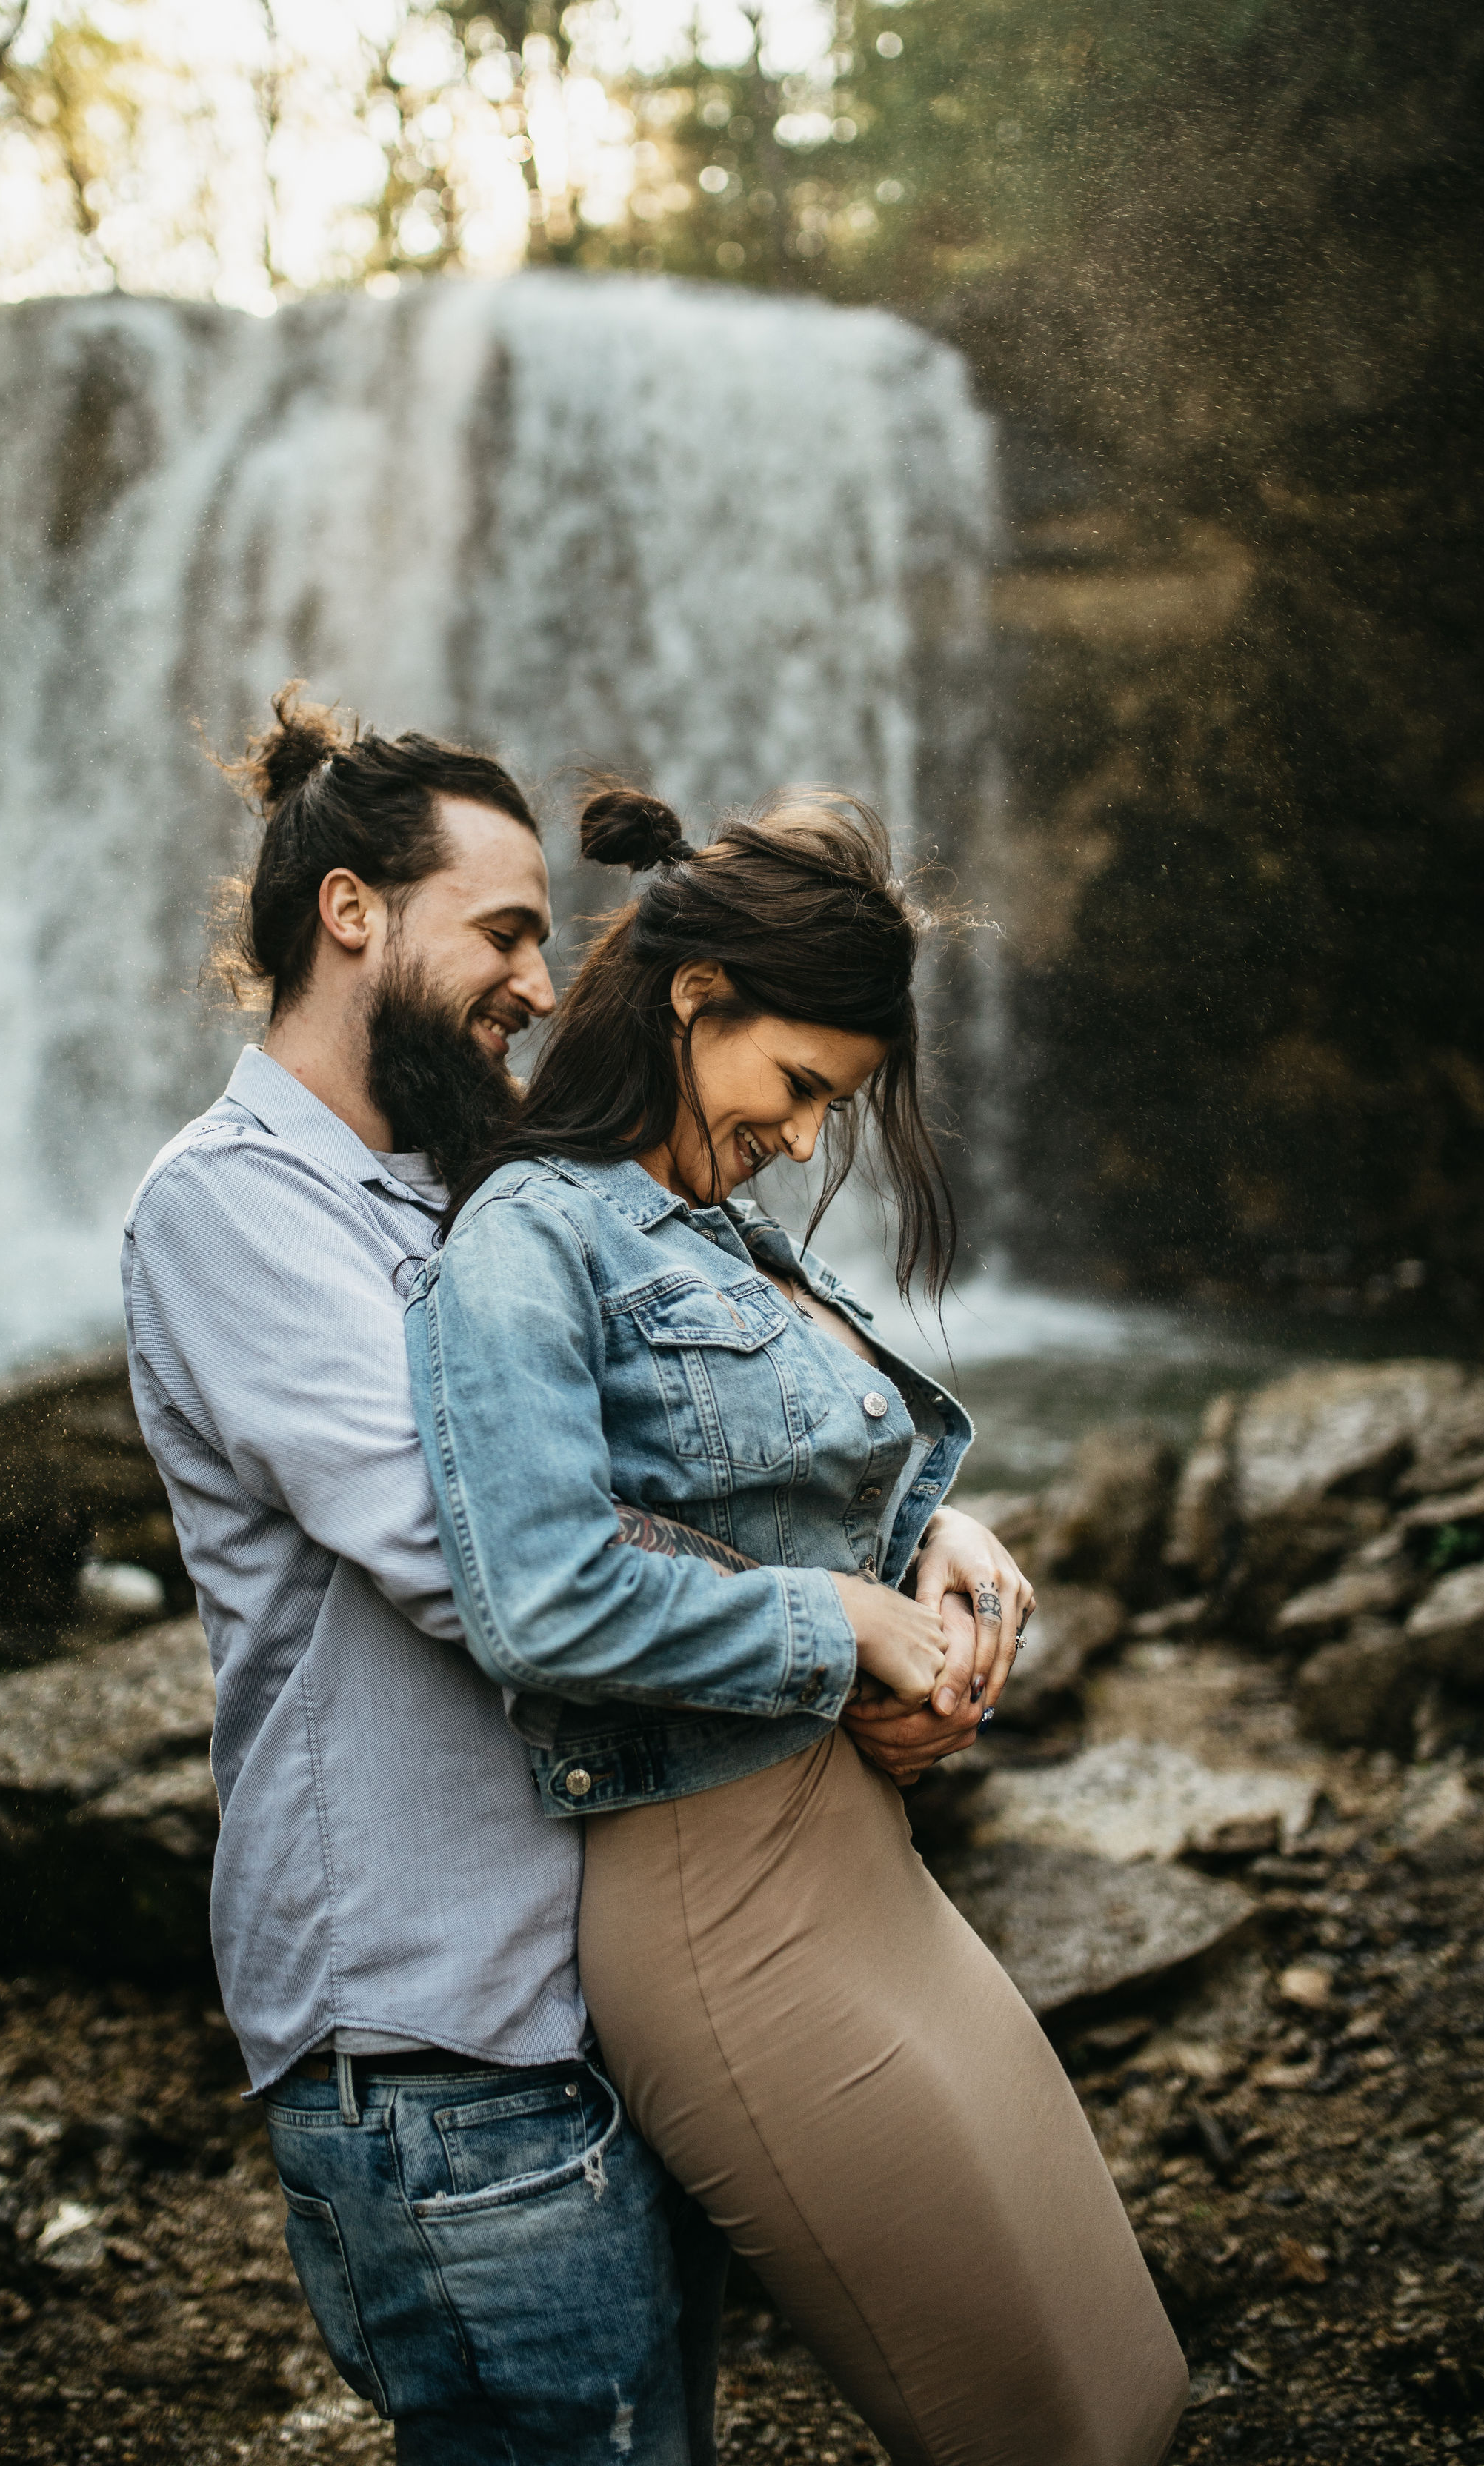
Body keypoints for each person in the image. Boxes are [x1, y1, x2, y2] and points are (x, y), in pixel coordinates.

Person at [405, 786, 1191, 2466]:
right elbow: (536, 1597)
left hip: (867, 1872)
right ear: (698, 1003)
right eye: (800, 1088)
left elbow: (802, 1486)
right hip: (717, 1913)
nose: (809, 1135)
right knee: (1025, 2421)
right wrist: (847, 1629)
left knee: (1123, 2379)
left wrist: (941, 1544)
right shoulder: (523, 1243)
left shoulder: (722, 1229)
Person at [122, 690, 737, 2466]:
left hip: (595, 2010)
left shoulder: (470, 1193)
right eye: (510, 931)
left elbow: (700, 1435)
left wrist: (923, 1528)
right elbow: (489, 1566)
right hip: (437, 2048)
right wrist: (826, 1633)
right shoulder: (230, 1209)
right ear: (352, 914)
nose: (545, 988)